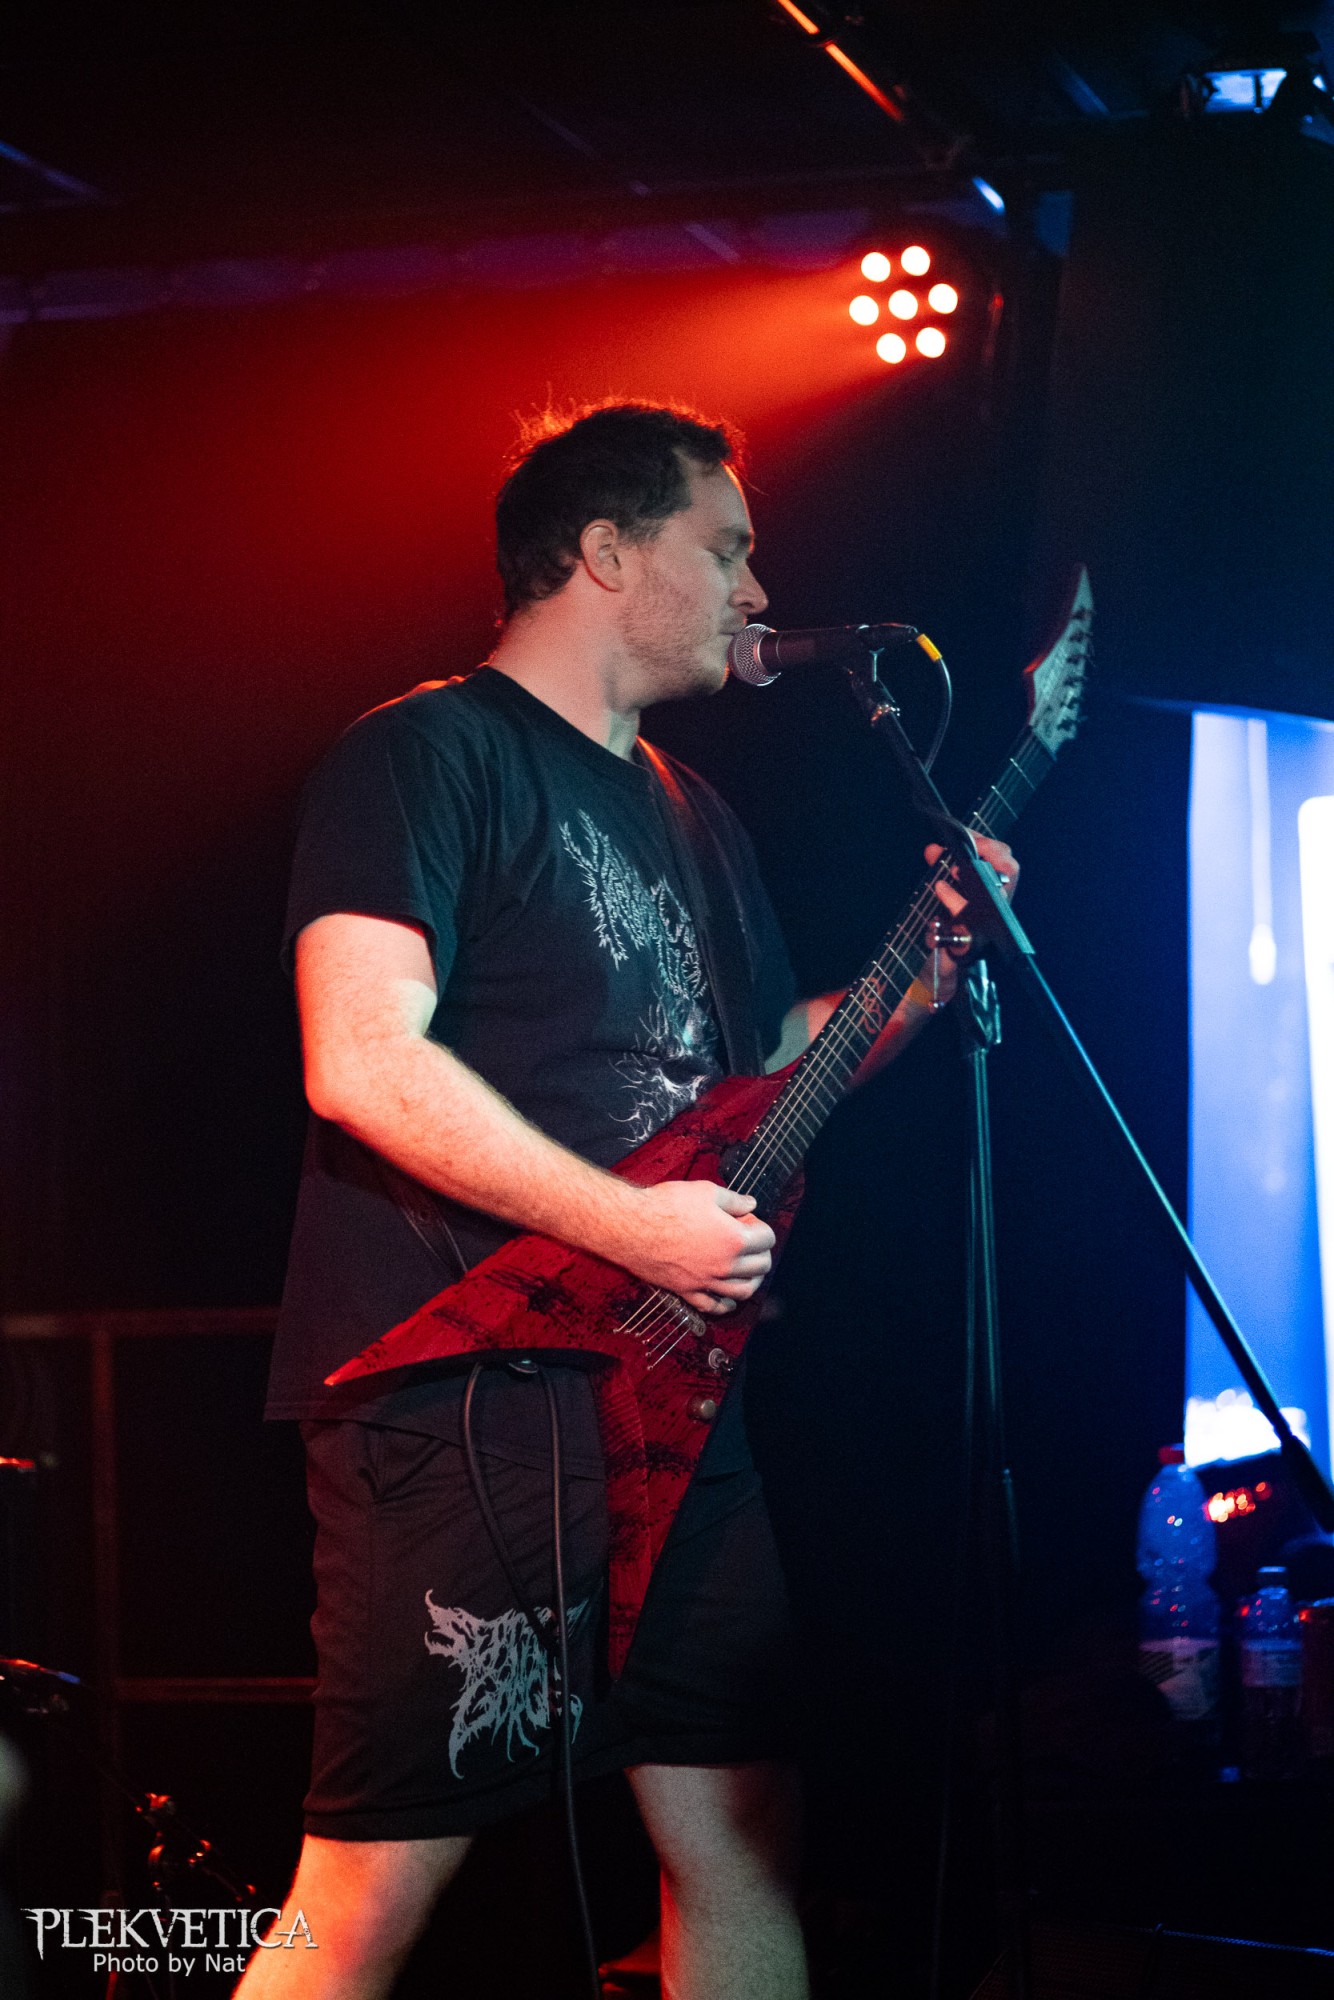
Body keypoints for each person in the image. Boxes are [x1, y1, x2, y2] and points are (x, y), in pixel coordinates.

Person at [237, 402, 1016, 2000]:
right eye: (724, 547)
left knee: (739, 1830)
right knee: (370, 1885)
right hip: (463, 1391)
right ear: (604, 551)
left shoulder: (690, 809)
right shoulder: (421, 754)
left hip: (669, 1399)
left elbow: (760, 1070)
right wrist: (628, 1225)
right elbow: (359, 1060)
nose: (757, 589)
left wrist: (924, 975)